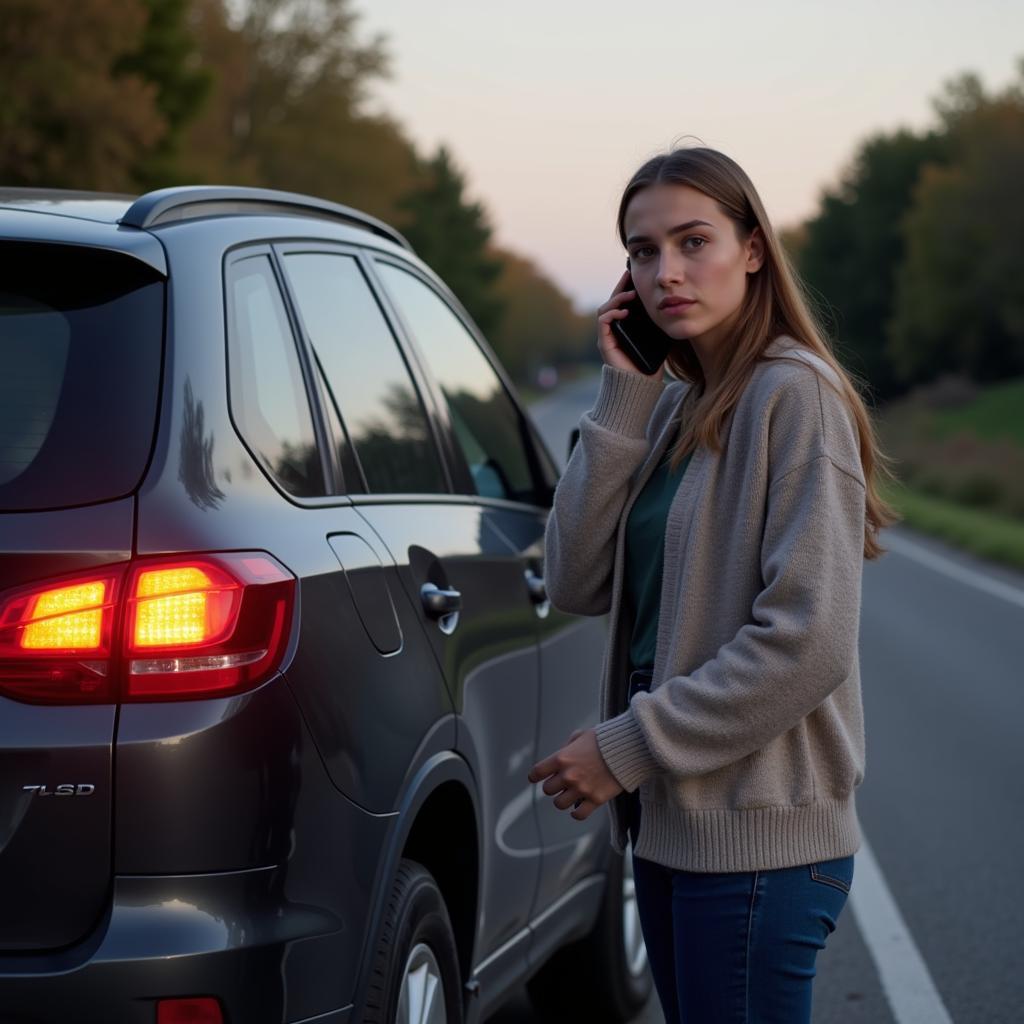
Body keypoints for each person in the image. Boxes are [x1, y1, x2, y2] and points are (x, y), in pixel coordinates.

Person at [526, 145, 898, 1023]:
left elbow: (807, 645)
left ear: (755, 249)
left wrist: (625, 748)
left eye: (695, 242)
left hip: (757, 843)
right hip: (673, 827)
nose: (667, 272)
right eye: (643, 251)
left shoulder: (793, 396)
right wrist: (624, 398)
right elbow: (575, 579)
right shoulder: (677, 406)